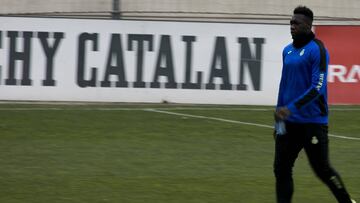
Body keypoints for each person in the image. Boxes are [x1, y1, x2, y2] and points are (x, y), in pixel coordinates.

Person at [274, 6, 356, 203]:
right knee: (281, 169)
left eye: (296, 23)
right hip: (289, 124)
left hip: (312, 123)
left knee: (323, 170)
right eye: (291, 22)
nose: (292, 26)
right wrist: (278, 120)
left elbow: (317, 87)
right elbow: (284, 85)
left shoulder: (317, 50)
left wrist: (290, 108)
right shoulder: (287, 51)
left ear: (308, 26)